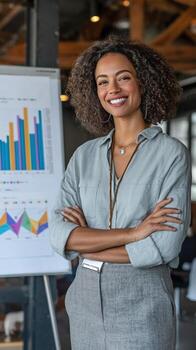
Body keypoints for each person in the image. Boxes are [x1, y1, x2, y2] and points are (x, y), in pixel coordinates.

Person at [50, 36, 191, 350]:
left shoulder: (171, 154)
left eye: (123, 77)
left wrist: (87, 244)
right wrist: (135, 232)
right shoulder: (84, 156)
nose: (112, 89)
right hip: (84, 299)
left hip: (143, 299)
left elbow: (163, 247)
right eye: (103, 81)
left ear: (143, 82)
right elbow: (60, 235)